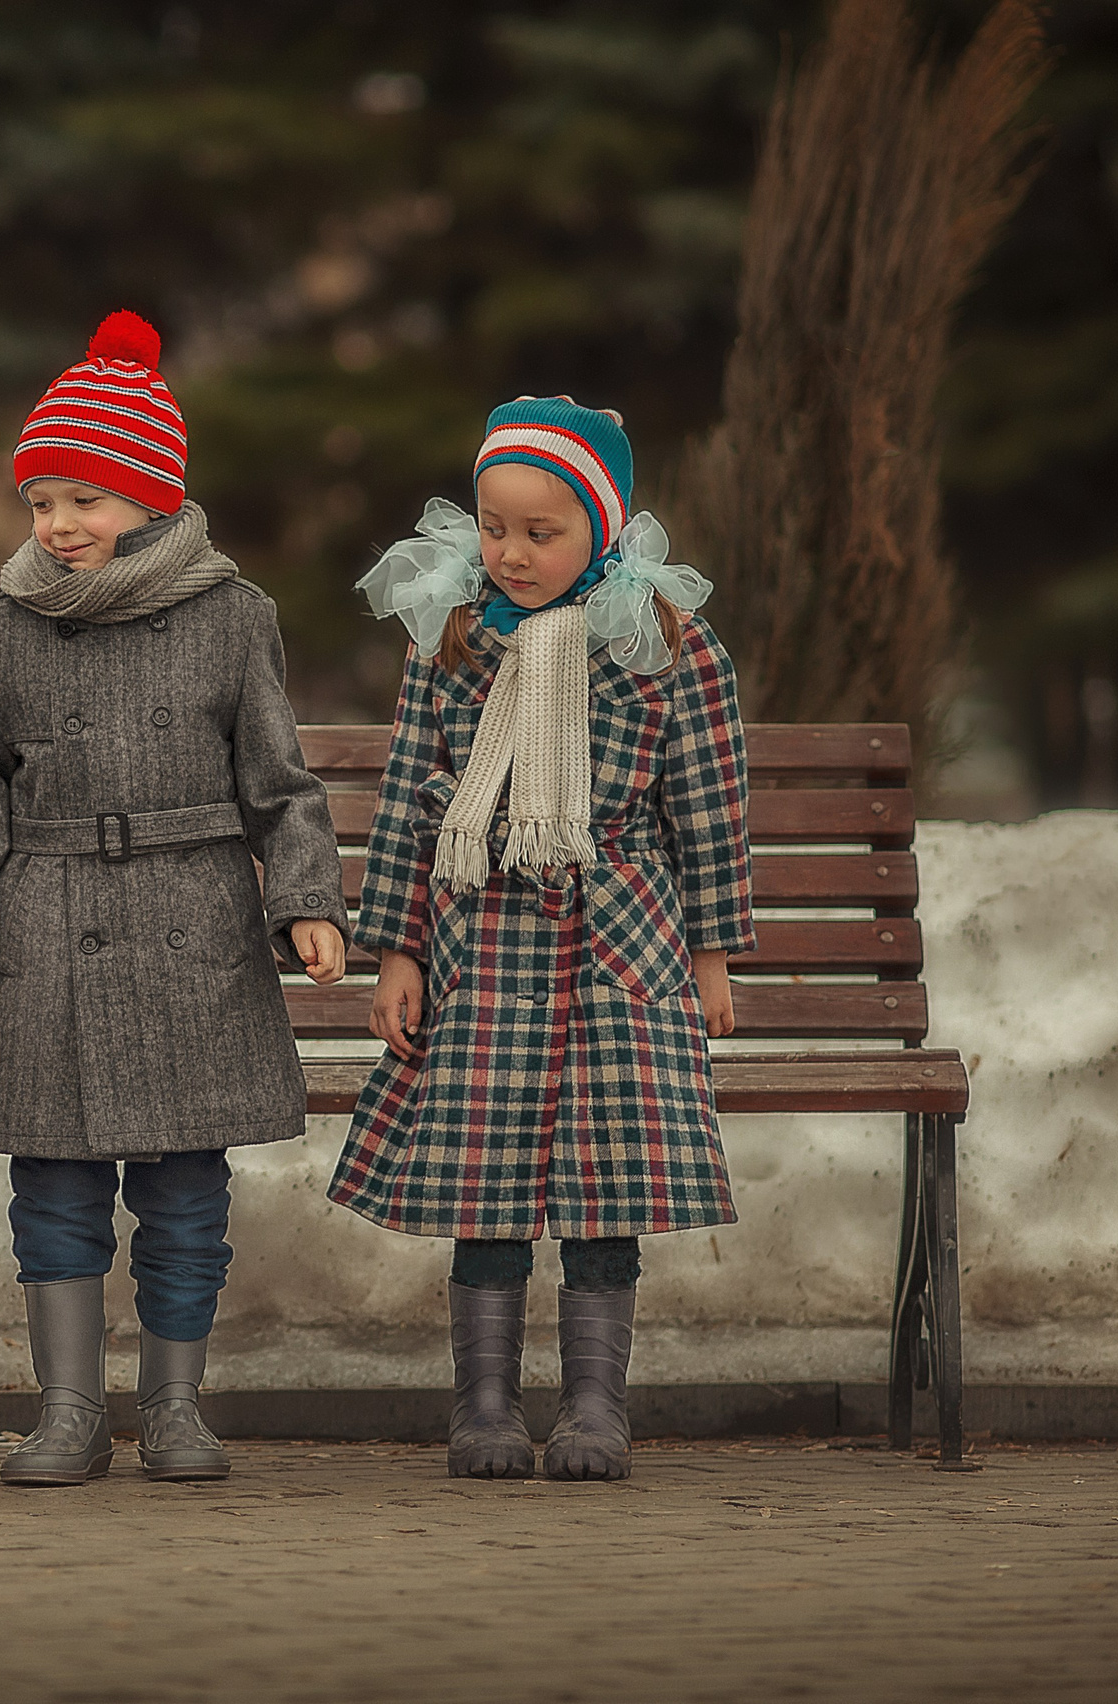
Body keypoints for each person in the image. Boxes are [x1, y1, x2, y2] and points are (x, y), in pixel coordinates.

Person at [0, 312, 349, 1487]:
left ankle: (173, 1407)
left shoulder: (233, 619)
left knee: (182, 1189)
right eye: (40, 503)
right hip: (48, 925)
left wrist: (302, 896)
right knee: (52, 1184)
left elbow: (278, 779)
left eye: (84, 500)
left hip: (192, 921)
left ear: (152, 499)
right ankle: (68, 1411)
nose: (57, 526)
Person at [333, 395, 755, 1482]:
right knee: (486, 1181)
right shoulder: (455, 634)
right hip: (480, 947)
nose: (510, 554)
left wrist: (708, 955)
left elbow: (705, 808)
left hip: (619, 951)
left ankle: (594, 1406)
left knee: (602, 1183)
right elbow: (404, 803)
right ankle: (480, 1405)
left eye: (541, 532)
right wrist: (399, 951)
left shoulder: (667, 643)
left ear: (601, 529)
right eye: (493, 527)